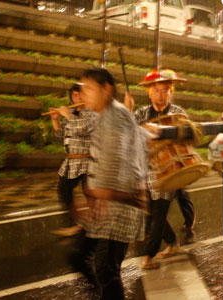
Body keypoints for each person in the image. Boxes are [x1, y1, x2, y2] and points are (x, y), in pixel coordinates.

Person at [79, 67, 149, 300]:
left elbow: (117, 158)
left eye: (88, 88)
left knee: (106, 269)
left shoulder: (114, 115)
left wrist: (99, 192)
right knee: (102, 266)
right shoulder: (108, 114)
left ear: (106, 89)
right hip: (111, 202)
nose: (83, 93)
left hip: (118, 204)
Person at [125, 69, 194, 269]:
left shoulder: (178, 113)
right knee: (152, 211)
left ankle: (149, 256)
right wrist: (127, 111)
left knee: (159, 212)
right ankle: (172, 243)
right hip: (146, 169)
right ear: (149, 92)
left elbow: (190, 133)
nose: (160, 94)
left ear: (171, 92)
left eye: (165, 90)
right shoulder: (142, 113)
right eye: (156, 90)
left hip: (170, 168)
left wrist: (162, 132)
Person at [49, 83, 96, 236]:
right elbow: (59, 136)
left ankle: (97, 225)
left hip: (88, 161)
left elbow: (82, 129)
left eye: (80, 94)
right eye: (74, 95)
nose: (77, 98)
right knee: (63, 190)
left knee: (90, 195)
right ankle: (74, 223)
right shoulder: (71, 112)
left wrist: (68, 116)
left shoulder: (91, 113)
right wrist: (55, 120)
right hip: (71, 161)